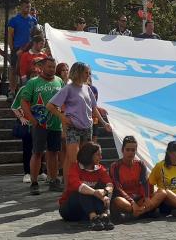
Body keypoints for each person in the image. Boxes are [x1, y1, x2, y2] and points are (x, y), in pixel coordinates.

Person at [47, 62, 111, 190]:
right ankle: (69, 187)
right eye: (86, 72)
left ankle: (79, 184)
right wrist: (64, 118)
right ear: (78, 72)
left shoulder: (88, 88)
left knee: (85, 158)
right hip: (73, 127)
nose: (88, 75)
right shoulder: (68, 88)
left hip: (87, 127)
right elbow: (50, 105)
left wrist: (104, 123)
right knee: (73, 159)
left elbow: (93, 108)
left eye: (89, 73)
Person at [20, 57, 65, 195]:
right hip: (39, 124)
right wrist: (32, 119)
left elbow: (64, 101)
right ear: (43, 67)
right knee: (37, 153)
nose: (52, 69)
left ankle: (53, 181)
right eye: (49, 66)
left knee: (53, 153)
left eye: (53, 67)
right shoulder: (33, 82)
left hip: (56, 124)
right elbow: (24, 101)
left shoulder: (59, 81)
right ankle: (34, 182)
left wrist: (64, 119)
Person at [59, 142, 115, 231]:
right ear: (89, 155)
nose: (101, 157)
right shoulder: (75, 168)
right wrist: (95, 193)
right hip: (69, 209)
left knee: (102, 187)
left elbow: (110, 184)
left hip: (85, 211)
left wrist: (104, 192)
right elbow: (78, 185)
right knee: (83, 190)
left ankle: (104, 216)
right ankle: (94, 218)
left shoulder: (100, 169)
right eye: (98, 155)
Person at [110, 136, 166, 220]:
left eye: (133, 150)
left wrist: (147, 198)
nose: (130, 153)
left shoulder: (140, 164)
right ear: (122, 150)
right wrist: (132, 202)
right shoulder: (115, 166)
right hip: (125, 200)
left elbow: (145, 182)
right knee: (118, 200)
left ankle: (138, 213)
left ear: (136, 151)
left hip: (139, 199)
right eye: (128, 150)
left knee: (162, 192)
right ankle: (145, 212)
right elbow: (118, 188)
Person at [8, 0, 38, 98]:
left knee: (30, 70)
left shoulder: (33, 20)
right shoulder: (14, 20)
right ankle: (12, 92)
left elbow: (35, 35)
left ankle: (27, 92)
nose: (28, 8)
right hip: (17, 49)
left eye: (29, 7)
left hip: (30, 49)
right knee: (14, 70)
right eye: (26, 6)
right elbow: (10, 35)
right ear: (21, 7)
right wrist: (12, 48)